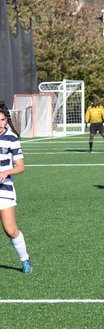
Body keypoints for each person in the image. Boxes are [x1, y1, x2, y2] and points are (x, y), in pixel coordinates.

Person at [0, 102, 32, 273]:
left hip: (4, 189)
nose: (0, 123)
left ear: (7, 120)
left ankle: (24, 259)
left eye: (2, 120)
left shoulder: (11, 138)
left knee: (10, 230)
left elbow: (20, 167)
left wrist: (5, 172)